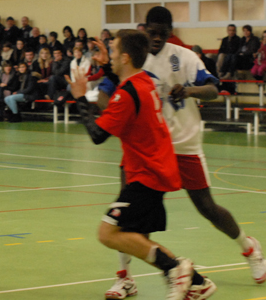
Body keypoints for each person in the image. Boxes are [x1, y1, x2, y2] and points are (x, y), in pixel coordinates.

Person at [100, 7, 266, 299]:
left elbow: (214, 89)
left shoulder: (185, 57)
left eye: (162, 33)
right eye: (152, 32)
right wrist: (113, 113)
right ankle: (125, 278)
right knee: (132, 214)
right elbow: (105, 91)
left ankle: (249, 248)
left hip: (183, 144)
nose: (156, 38)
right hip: (146, 148)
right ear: (144, 29)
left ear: (170, 32)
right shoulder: (134, 56)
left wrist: (189, 91)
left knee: (207, 207)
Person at [66, 30, 214, 300]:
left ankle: (175, 269)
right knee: (134, 238)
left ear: (125, 57)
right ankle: (197, 282)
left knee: (108, 233)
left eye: (113, 51)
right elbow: (125, 85)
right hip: (154, 170)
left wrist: (80, 97)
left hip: (147, 174)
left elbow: (97, 135)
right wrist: (106, 67)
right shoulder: (143, 81)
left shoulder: (126, 95)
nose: (109, 56)